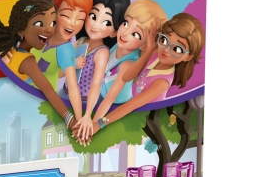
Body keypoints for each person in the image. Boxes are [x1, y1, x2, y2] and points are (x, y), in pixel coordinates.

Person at [80, 12, 205, 140]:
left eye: (177, 49)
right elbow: (127, 77)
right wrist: (149, 50)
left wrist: (100, 124)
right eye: (164, 40)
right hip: (130, 108)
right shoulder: (156, 54)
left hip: (147, 121)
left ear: (188, 57)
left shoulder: (162, 82)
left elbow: (132, 105)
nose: (166, 50)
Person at [0, 0, 77, 125]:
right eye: (39, 23)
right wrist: (70, 121)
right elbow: (49, 92)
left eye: (53, 23)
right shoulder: (27, 61)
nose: (49, 29)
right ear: (21, 29)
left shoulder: (7, 48)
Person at [70, 0, 131, 142]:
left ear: (114, 32)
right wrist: (72, 64)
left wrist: (87, 115)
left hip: (85, 99)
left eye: (106, 22)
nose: (95, 25)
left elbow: (96, 84)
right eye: (93, 16)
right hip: (67, 92)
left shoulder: (102, 52)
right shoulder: (80, 41)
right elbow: (61, 73)